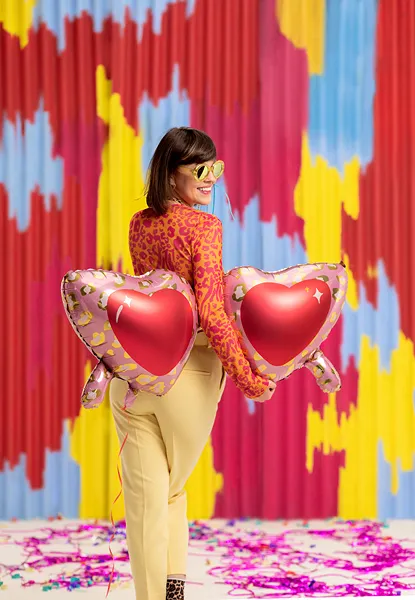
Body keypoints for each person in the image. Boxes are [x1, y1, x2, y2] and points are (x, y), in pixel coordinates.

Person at [110, 127, 276, 600]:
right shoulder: (205, 228)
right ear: (171, 172)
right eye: (201, 168)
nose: (212, 178)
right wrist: (249, 379)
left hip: (134, 374)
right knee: (171, 491)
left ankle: (159, 594)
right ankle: (174, 592)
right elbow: (211, 312)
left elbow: (148, 294)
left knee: (147, 502)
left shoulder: (139, 224)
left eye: (216, 167)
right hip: (190, 377)